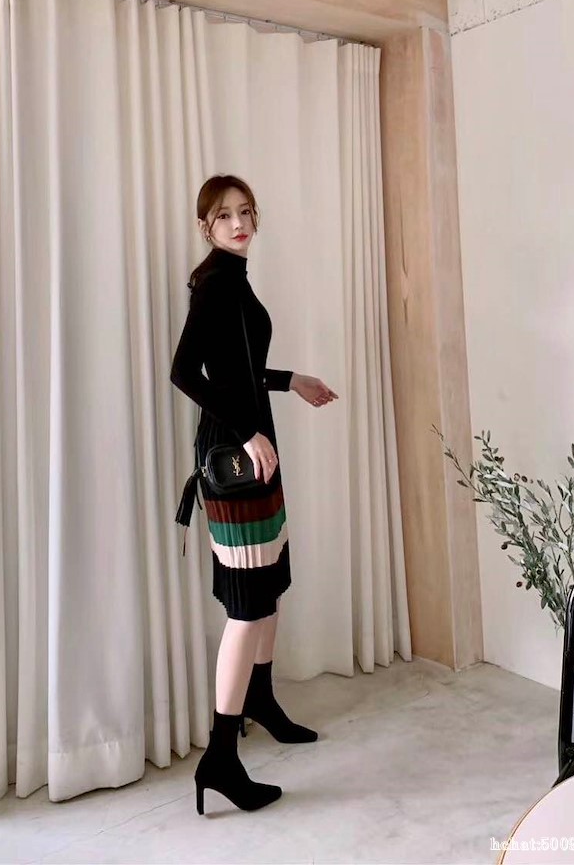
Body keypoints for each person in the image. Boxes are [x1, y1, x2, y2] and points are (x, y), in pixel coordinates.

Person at [170, 174, 338, 815]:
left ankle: (260, 700)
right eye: (223, 216)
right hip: (234, 460)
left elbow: (236, 372)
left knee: (267, 585)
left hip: (254, 454)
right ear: (206, 227)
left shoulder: (234, 279)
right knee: (247, 606)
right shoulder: (216, 282)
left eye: (245, 212)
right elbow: (185, 372)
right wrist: (246, 431)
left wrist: (291, 380)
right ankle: (219, 758)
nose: (238, 223)